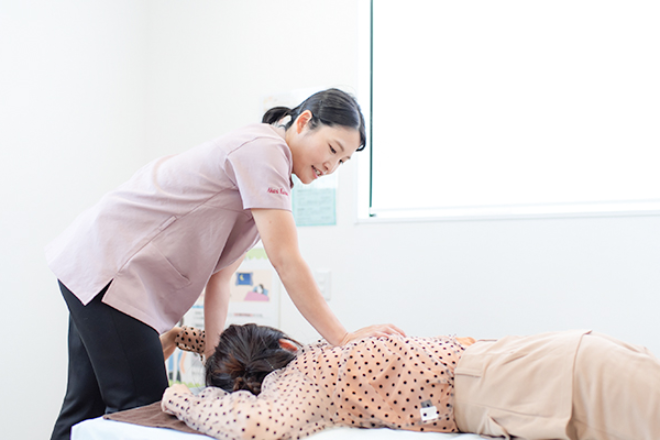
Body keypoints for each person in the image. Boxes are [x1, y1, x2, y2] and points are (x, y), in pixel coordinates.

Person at [46, 88, 404, 440]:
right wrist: (342, 338)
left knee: (84, 407)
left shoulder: (264, 170)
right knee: (147, 410)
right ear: (304, 122)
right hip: (112, 271)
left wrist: (214, 362)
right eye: (332, 149)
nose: (331, 165)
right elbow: (286, 260)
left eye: (342, 160)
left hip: (96, 264)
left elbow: (220, 279)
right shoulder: (265, 151)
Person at [161, 324, 660, 440]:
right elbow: (258, 419)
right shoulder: (321, 362)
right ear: (286, 344)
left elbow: (252, 421)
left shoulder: (309, 374)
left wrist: (182, 398)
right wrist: (182, 348)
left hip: (534, 379)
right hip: (541, 363)